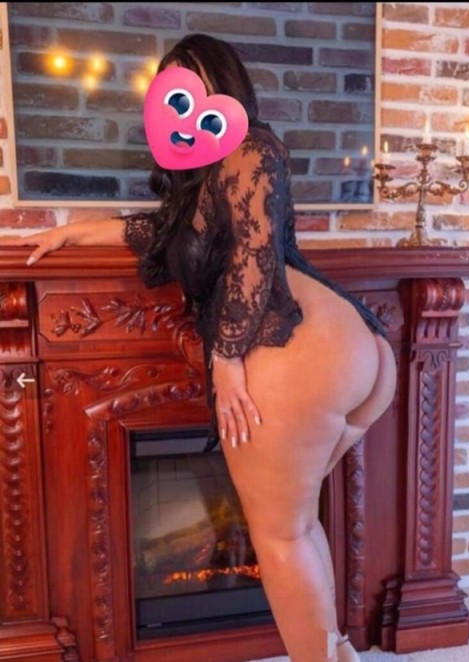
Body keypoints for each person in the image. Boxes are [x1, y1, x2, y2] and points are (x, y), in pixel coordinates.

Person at [1, 33, 397, 662]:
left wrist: (227, 358)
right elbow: (162, 232)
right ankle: (334, 652)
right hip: (348, 352)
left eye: (197, 89)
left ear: (227, 86)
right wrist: (74, 233)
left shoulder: (248, 148)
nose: (185, 112)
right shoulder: (212, 176)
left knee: (281, 536)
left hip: (292, 347)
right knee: (297, 527)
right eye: (173, 95)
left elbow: (253, 256)